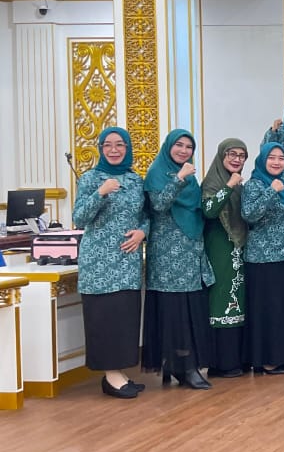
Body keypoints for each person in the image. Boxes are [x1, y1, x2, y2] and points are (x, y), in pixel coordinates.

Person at [74, 128, 149, 399]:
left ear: (127, 148)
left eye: (120, 144)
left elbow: (146, 215)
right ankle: (110, 375)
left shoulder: (135, 179)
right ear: (101, 148)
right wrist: (101, 193)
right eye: (108, 145)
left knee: (124, 318)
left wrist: (143, 232)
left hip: (127, 262)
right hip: (99, 264)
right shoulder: (90, 178)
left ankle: (120, 373)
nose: (114, 150)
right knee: (104, 319)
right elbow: (79, 218)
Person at [142, 129, 215, 390]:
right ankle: (183, 367)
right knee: (175, 313)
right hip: (167, 256)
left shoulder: (190, 178)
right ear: (168, 146)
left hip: (191, 251)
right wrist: (179, 179)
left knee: (190, 309)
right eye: (179, 145)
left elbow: (196, 210)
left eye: (189, 147)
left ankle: (181, 365)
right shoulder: (157, 173)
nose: (184, 151)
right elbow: (159, 205)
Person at [241, 143, 284, 375]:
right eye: (272, 157)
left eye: (281, 158)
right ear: (262, 160)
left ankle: (282, 356)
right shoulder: (255, 185)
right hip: (263, 258)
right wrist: (270, 191)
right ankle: (266, 360)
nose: (277, 162)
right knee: (268, 310)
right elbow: (249, 215)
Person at [201, 138, 250, 378]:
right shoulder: (213, 182)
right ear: (222, 156)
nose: (237, 159)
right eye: (232, 154)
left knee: (238, 298)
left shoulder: (240, 185)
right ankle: (221, 362)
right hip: (219, 248)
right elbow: (209, 210)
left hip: (239, 248)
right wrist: (229, 185)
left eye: (241, 155)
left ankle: (238, 358)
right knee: (222, 299)